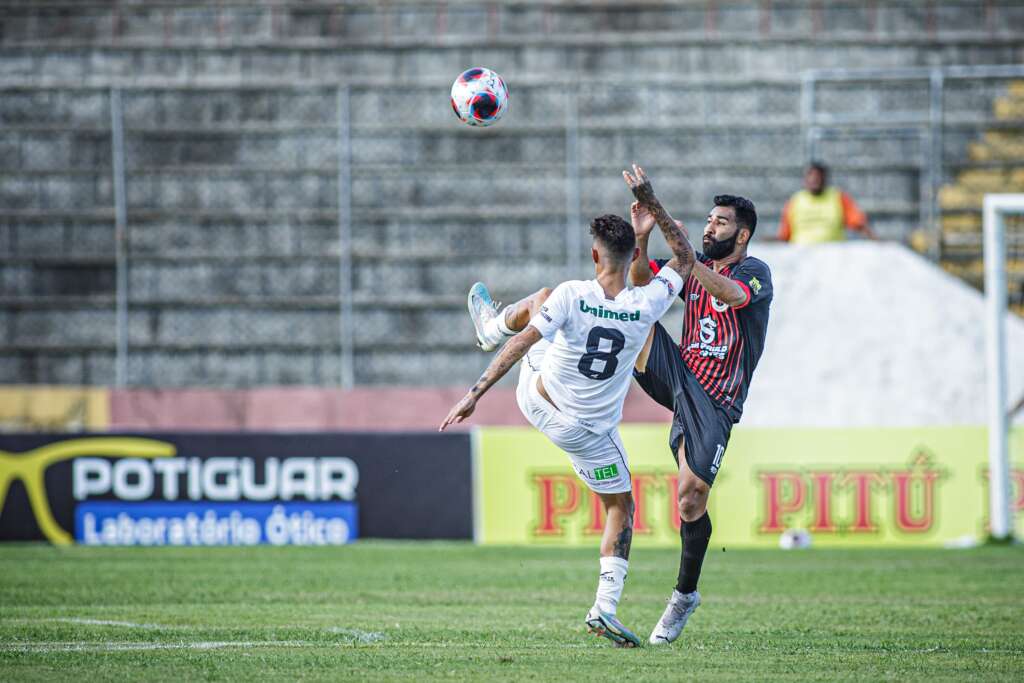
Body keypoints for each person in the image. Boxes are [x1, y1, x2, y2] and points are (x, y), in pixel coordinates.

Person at [440, 201, 695, 648]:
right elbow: (686, 259)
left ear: (595, 255)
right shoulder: (648, 303)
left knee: (539, 299)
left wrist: (474, 394)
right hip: (589, 435)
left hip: (537, 400)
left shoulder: (571, 294)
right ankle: (605, 608)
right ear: (635, 256)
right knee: (620, 508)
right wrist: (653, 219)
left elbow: (523, 343)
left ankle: (489, 328)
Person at [623, 166, 773, 645]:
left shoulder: (754, 273)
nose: (710, 227)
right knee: (634, 314)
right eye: (709, 220)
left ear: (742, 235)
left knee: (690, 497)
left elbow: (728, 294)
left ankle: (684, 595)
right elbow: (641, 285)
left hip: (717, 399)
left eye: (720, 222)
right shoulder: (692, 265)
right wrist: (643, 239)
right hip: (681, 373)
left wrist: (684, 255)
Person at [777, 161, 876, 243]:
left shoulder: (838, 198)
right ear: (805, 179)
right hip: (802, 255)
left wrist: (875, 241)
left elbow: (858, 223)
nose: (815, 179)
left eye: (818, 176)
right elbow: (784, 235)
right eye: (811, 175)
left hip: (832, 255)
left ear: (825, 178)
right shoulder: (795, 201)